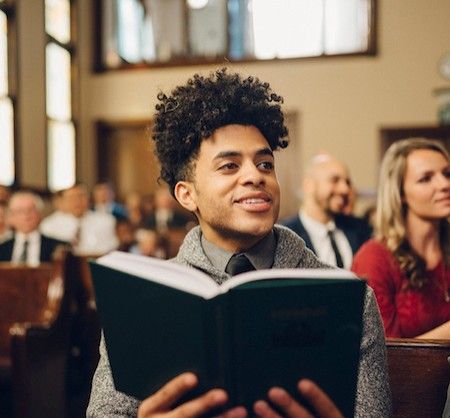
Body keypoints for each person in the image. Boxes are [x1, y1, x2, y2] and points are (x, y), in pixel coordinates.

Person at [87, 69, 391, 418]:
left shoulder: (346, 296)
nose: (255, 176)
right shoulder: (142, 297)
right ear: (187, 195)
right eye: (229, 165)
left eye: (265, 163)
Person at [351, 138, 450, 338]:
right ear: (400, 193)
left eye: (447, 174)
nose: (445, 184)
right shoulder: (374, 259)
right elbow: (385, 356)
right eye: (426, 178)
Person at [281, 153, 372, 269]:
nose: (345, 189)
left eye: (347, 182)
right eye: (335, 180)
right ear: (308, 185)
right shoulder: (284, 236)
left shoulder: (361, 228)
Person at [40, 183, 119, 255]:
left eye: (81, 196)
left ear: (89, 198)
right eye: (71, 198)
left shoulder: (107, 221)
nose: (77, 201)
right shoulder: (49, 225)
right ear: (63, 201)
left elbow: (112, 247)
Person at [0, 191, 68, 264]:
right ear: (10, 217)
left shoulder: (60, 247)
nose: (26, 216)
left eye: (31, 210)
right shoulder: (2, 249)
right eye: (20, 211)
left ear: (40, 214)